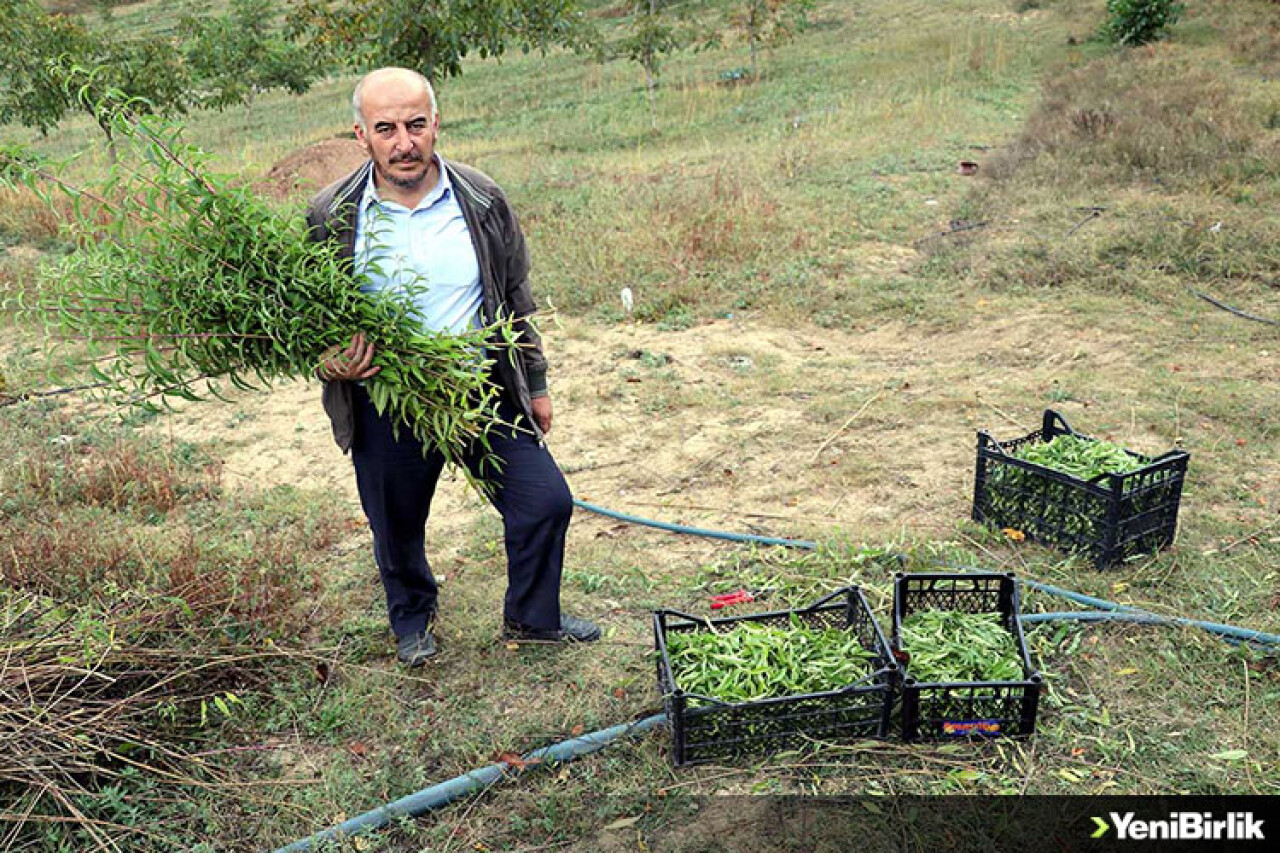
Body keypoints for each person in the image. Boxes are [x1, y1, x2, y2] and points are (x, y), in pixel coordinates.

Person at [305, 67, 600, 666]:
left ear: (435, 124)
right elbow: (308, 318)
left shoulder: (481, 198)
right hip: (389, 396)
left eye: (416, 124)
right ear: (360, 135)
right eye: (386, 128)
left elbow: (515, 295)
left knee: (544, 501)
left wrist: (535, 384)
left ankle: (532, 618)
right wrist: (328, 359)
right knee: (396, 522)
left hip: (479, 386)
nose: (404, 142)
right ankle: (413, 619)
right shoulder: (331, 214)